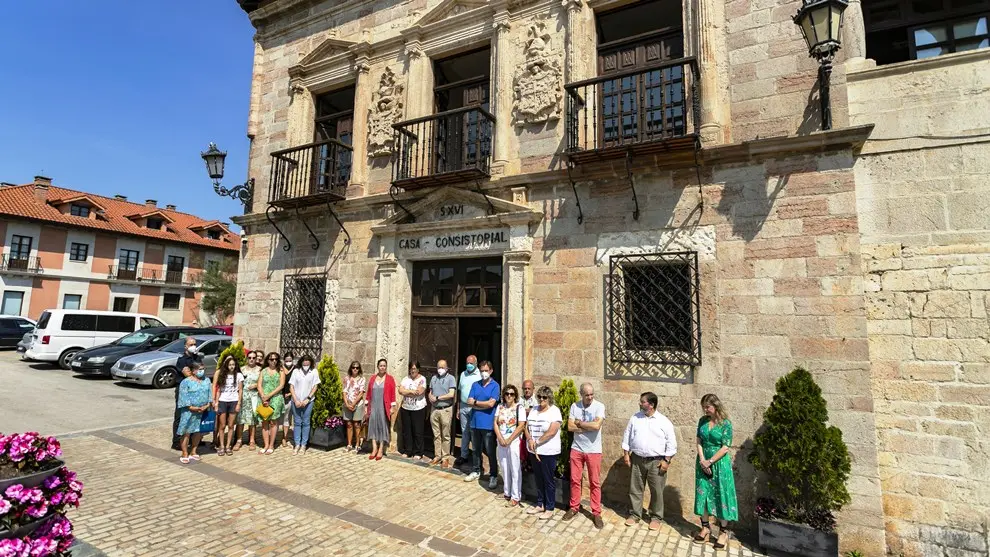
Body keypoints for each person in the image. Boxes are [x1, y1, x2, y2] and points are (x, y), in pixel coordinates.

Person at [622, 391, 677, 531]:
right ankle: (635, 514)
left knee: (656, 491)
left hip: (656, 462)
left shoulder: (663, 421)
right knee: (635, 489)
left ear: (651, 405)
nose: (640, 403)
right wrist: (626, 454)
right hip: (637, 459)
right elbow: (627, 435)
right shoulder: (635, 418)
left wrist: (667, 461)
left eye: (642, 401)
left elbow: (672, 443)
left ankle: (656, 517)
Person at [693, 394, 738, 549]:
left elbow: (725, 447)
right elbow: (699, 440)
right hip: (702, 462)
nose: (705, 410)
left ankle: (723, 532)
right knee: (702, 494)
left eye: (708, 407)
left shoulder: (726, 424)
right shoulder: (702, 421)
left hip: (719, 465)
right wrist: (702, 459)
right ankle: (705, 527)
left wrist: (710, 461)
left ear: (716, 406)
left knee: (721, 495)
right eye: (703, 407)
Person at [564, 383, 606, 529]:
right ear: (581, 394)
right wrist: (587, 426)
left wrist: (580, 423)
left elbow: (596, 426)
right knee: (575, 480)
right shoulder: (575, 406)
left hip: (594, 450)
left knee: (594, 482)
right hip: (577, 448)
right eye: (587, 395)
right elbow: (570, 427)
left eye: (592, 394)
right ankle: (574, 507)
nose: (590, 397)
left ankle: (596, 512)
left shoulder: (599, 406)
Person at [524, 386, 562, 520]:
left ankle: (550, 507)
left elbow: (552, 431)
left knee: (548, 479)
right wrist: (529, 439)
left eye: (544, 397)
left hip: (548, 451)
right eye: (539, 396)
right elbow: (526, 427)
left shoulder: (554, 411)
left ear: (549, 398)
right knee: (538, 478)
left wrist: (538, 441)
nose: (541, 399)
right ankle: (540, 504)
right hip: (533, 450)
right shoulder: (534, 410)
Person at [464, 360, 500, 488]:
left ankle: (493, 475)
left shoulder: (495, 386)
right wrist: (481, 404)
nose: (484, 373)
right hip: (474, 423)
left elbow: (491, 404)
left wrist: (476, 403)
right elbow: (469, 401)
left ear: (491, 371)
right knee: (475, 450)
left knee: (490, 451)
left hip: (488, 424)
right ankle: (476, 470)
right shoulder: (475, 384)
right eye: (482, 371)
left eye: (486, 370)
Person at [494, 384, 526, 506]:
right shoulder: (500, 407)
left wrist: (509, 440)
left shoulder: (519, 408)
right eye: (507, 393)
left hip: (514, 442)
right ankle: (506, 492)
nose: (509, 396)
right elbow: (495, 423)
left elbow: (521, 425)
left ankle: (516, 496)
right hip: (501, 440)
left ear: (515, 396)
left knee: (515, 468)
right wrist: (500, 438)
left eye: (511, 394)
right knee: (504, 466)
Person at [176, 363, 212, 463]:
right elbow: (183, 397)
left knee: (198, 431)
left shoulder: (206, 380)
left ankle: (193, 451)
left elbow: (210, 394)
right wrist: (192, 407)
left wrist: (207, 405)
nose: (202, 371)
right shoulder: (186, 382)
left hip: (203, 410)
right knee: (186, 432)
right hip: (189, 411)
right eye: (199, 369)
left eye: (203, 369)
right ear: (193, 371)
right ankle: (184, 452)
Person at [171, 337, 203, 450]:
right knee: (180, 415)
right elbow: (187, 373)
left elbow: (200, 371)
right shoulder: (182, 360)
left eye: (194, 344)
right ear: (185, 346)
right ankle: (176, 440)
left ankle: (195, 438)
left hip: (196, 389)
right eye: (191, 344)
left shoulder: (197, 358)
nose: (193, 346)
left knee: (195, 414)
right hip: (183, 390)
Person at [365, 358, 397, 461]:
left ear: (386, 367)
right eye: (381, 365)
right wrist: (366, 406)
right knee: (373, 426)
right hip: (373, 405)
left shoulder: (390, 379)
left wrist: (392, 406)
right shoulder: (373, 378)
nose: (382, 367)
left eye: (384, 366)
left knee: (383, 426)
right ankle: (374, 448)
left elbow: (392, 394)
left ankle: (381, 449)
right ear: (378, 366)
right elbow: (369, 393)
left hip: (383, 406)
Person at [212, 355, 244, 456]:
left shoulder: (239, 375)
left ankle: (228, 445)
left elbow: (240, 390)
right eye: (230, 365)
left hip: (233, 401)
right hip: (222, 401)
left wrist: (239, 403)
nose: (232, 366)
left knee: (231, 425)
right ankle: (221, 445)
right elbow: (219, 390)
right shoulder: (222, 374)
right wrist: (216, 403)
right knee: (222, 425)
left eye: (233, 365)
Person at [289, 354, 320, 455]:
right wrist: (296, 399)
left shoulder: (314, 372)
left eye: (308, 361)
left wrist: (308, 399)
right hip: (296, 401)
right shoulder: (296, 371)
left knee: (306, 423)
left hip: (308, 402)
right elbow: (291, 386)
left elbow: (315, 386)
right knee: (297, 422)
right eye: (304, 361)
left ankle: (303, 445)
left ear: (311, 362)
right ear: (301, 362)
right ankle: (297, 444)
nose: (306, 363)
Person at [428, 359, 456, 467]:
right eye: (439, 367)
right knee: (436, 434)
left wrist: (438, 398)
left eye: (442, 367)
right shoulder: (434, 378)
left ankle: (445, 457)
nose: (440, 369)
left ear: (447, 367)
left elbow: (451, 394)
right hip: (434, 409)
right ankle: (437, 455)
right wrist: (430, 397)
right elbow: (430, 392)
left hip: (446, 409)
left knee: (446, 434)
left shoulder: (451, 378)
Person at [257, 352, 287, 454]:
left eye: (276, 359)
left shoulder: (281, 370)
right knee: (264, 421)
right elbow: (259, 384)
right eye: (271, 359)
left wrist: (269, 396)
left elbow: (281, 385)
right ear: (268, 360)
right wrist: (262, 396)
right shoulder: (263, 371)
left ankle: (271, 445)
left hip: (275, 398)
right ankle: (265, 444)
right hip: (264, 398)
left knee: (273, 422)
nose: (274, 361)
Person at [398, 361, 428, 459]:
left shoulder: (422, 379)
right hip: (406, 408)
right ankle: (408, 450)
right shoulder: (405, 379)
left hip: (418, 408)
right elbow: (400, 390)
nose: (412, 370)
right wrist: (411, 391)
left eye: (414, 368)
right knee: (407, 431)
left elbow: (419, 392)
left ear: (418, 369)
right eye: (411, 368)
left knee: (418, 431)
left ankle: (418, 452)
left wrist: (406, 392)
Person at [454, 355, 480, 467]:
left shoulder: (480, 375)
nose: (469, 365)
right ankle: (464, 455)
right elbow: (460, 391)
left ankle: (476, 456)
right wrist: (458, 408)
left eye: (471, 363)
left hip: (475, 407)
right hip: (464, 406)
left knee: (474, 432)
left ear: (476, 363)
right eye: (467, 362)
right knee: (464, 432)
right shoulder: (463, 374)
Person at [235, 350, 262, 452]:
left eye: (253, 358)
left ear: (256, 359)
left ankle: (252, 440)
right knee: (240, 419)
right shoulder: (242, 369)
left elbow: (262, 382)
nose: (251, 359)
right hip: (242, 396)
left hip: (254, 396)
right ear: (247, 358)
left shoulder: (260, 370)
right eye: (249, 357)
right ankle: (239, 440)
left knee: (252, 420)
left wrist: (256, 385)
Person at [343, 361, 367, 452]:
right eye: (353, 367)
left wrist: (353, 404)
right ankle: (349, 444)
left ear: (359, 369)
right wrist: (347, 403)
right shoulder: (347, 378)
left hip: (357, 404)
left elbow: (361, 393)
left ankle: (357, 444)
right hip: (347, 404)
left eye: (357, 367)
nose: (355, 369)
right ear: (351, 368)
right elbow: (344, 392)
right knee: (349, 424)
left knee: (357, 424)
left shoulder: (362, 379)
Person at [280, 352, 296, 448]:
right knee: (276, 418)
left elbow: (297, 384)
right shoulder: (280, 368)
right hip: (278, 396)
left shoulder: (296, 369)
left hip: (289, 397)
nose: (288, 362)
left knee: (286, 418)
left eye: (290, 360)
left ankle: (284, 438)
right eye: (286, 360)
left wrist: (290, 393)